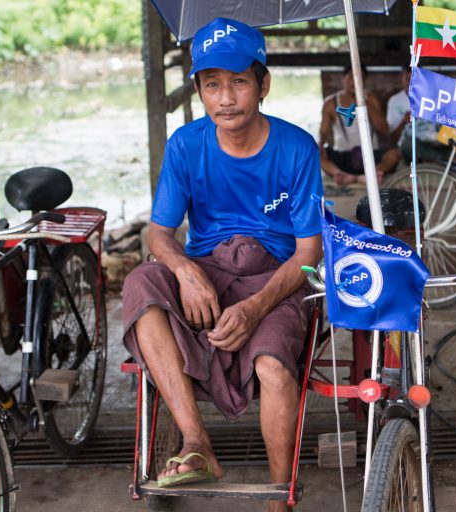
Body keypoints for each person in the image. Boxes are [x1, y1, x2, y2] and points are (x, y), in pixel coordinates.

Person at [121, 17, 322, 512]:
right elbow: (160, 235)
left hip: (273, 279)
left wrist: (254, 309)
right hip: (208, 271)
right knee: (143, 282)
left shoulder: (296, 148)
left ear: (263, 84)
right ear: (199, 91)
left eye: (238, 82)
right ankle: (196, 443)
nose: (225, 98)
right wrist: (187, 272)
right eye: (212, 85)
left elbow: (308, 253)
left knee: (274, 366)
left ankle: (280, 501)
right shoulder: (186, 146)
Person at [319, 64, 400, 186]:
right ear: (343, 79)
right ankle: (339, 174)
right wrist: (320, 145)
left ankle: (373, 174)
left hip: (370, 155)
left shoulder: (371, 99)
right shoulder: (331, 103)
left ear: (364, 81)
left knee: (394, 154)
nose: (354, 82)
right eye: (351, 77)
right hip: (343, 155)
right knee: (315, 153)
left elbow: (384, 129)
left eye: (359, 78)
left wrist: (364, 103)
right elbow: (323, 132)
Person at [386, 67, 447, 163]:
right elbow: (392, 138)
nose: (411, 83)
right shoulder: (395, 101)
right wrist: (403, 122)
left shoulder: (432, 101)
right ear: (402, 80)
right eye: (407, 79)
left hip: (431, 146)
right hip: (406, 149)